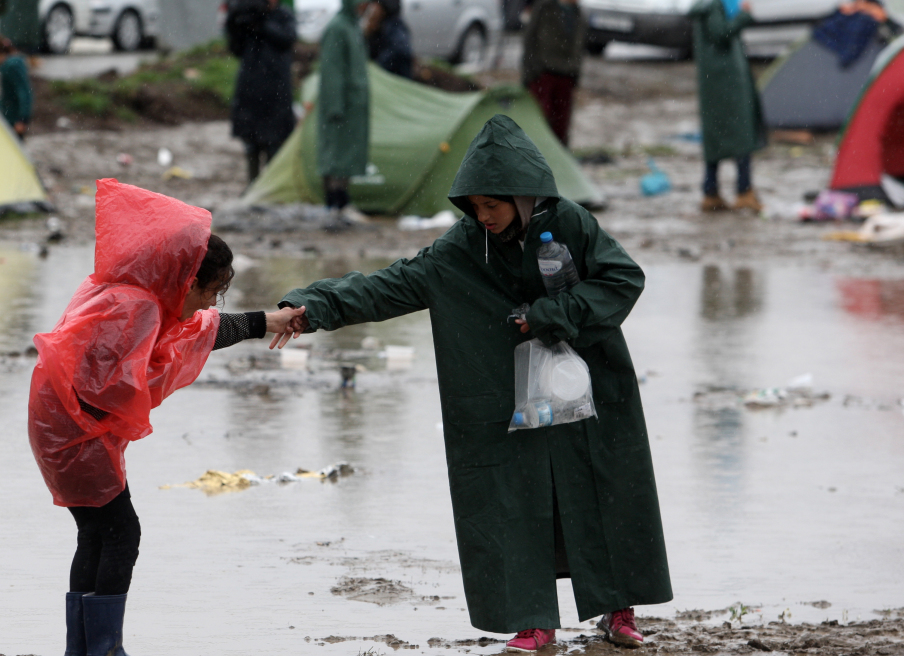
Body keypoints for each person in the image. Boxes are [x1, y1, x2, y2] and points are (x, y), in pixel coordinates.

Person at [271, 115, 673, 653]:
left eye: (493, 205)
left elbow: (624, 279)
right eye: (475, 207)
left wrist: (554, 314)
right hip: (506, 400)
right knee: (515, 497)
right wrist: (311, 307)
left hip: (588, 389)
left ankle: (617, 611)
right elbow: (389, 286)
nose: (483, 217)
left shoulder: (572, 225)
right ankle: (533, 621)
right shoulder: (461, 249)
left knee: (604, 489)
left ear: (523, 196)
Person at [28, 180, 306, 656]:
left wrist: (266, 321)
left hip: (68, 426)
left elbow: (197, 333)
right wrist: (133, 401)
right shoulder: (132, 308)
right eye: (211, 291)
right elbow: (106, 383)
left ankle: (85, 650)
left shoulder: (141, 297)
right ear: (186, 280)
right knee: (120, 532)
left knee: (96, 531)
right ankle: (104, 649)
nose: (208, 304)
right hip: (76, 431)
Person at [690, 0, 766, 212]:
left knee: (719, 137)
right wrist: (744, 16)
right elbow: (720, 34)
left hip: (721, 82)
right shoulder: (713, 6)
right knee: (740, 134)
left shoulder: (710, 5)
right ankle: (742, 191)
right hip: (725, 84)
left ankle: (712, 191)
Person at [226, 0, 297, 184]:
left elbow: (287, 38)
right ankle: (253, 185)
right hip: (250, 89)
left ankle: (270, 186)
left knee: (274, 143)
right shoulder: (249, 16)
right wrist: (234, 21)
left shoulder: (283, 15)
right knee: (251, 143)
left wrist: (263, 24)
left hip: (276, 92)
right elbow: (235, 48)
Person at [317, 0, 370, 215]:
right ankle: (334, 203)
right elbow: (332, 70)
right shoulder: (337, 28)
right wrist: (334, 106)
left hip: (354, 107)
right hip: (340, 107)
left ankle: (342, 203)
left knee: (348, 156)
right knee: (335, 156)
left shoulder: (353, 26)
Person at [521, 0, 586, 146]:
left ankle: (557, 158)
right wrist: (530, 72)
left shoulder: (579, 14)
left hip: (566, 76)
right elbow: (529, 39)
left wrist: (575, 73)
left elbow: (579, 47)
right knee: (540, 119)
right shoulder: (545, 7)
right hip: (544, 73)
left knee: (561, 124)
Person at [0, 35, 33, 139]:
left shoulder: (12, 66)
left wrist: (23, 119)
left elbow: (24, 92)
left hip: (12, 119)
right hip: (1, 118)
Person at [363, 0, 413, 79]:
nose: (372, 8)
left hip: (395, 80)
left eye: (375, 4)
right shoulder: (376, 27)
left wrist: (379, 66)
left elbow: (400, 50)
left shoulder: (393, 27)